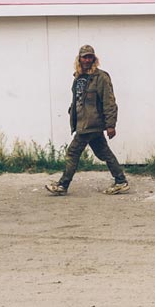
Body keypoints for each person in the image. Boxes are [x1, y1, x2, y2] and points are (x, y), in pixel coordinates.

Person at [45, 44, 130, 195]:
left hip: (91, 124)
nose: (87, 59)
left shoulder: (101, 77)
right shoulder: (78, 77)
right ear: (79, 59)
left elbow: (109, 102)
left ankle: (62, 185)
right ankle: (121, 181)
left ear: (94, 58)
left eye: (90, 56)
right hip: (82, 123)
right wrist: (72, 112)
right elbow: (78, 99)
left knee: (72, 153)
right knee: (104, 153)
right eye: (84, 57)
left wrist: (111, 125)